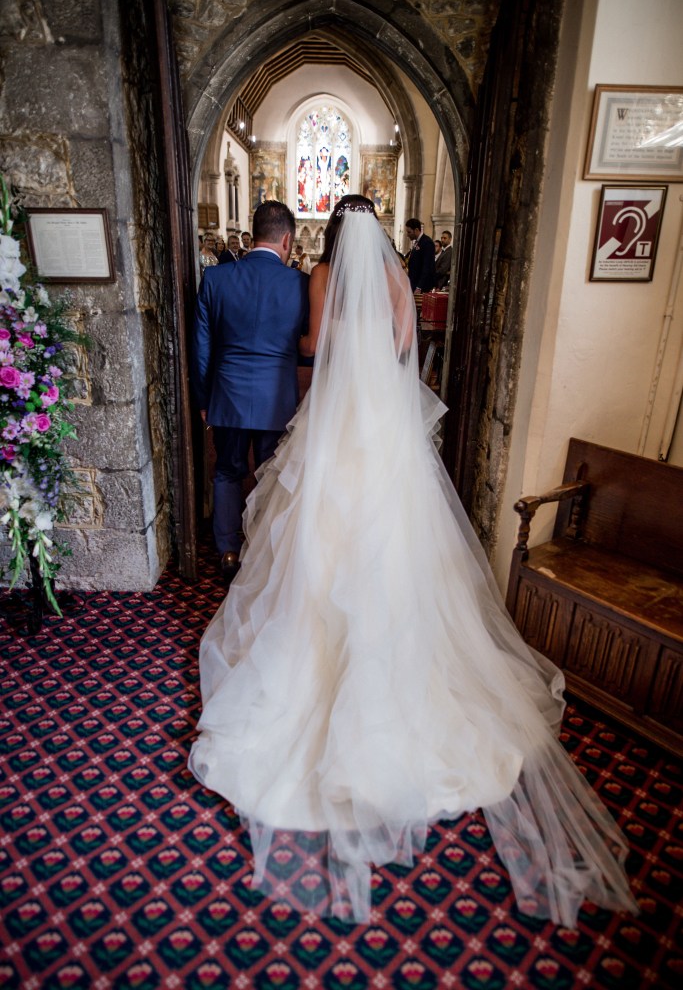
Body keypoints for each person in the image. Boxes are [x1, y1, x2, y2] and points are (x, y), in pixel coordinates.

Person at [189, 194, 637, 926]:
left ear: (332, 233)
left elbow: (314, 347)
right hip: (383, 421)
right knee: (396, 537)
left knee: (314, 533)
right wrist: (379, 362)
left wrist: (335, 353)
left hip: (337, 418)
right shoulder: (398, 277)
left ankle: (306, 646)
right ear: (383, 238)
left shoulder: (323, 273)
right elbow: (404, 346)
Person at [191, 200, 310, 579]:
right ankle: (261, 550)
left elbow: (202, 348)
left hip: (228, 395)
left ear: (252, 233)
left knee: (226, 471)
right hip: (278, 398)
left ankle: (227, 551)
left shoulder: (216, 279)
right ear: (287, 240)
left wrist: (204, 399)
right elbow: (307, 347)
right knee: (270, 473)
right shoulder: (300, 285)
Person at [405, 217, 437, 293]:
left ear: (416, 230)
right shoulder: (418, 242)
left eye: (409, 232)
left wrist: (419, 287)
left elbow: (427, 266)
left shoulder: (427, 242)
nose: (407, 235)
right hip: (414, 283)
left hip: (421, 286)